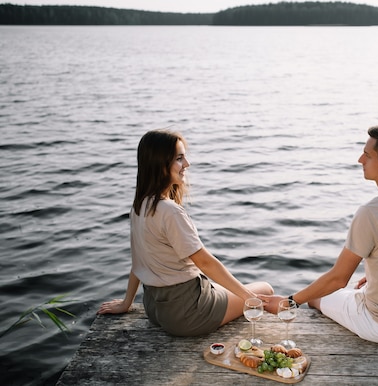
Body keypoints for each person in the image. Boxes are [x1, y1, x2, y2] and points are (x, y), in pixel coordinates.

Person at [262, 124, 378, 345]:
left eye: (367, 155)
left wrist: (288, 302)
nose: (360, 160)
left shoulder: (372, 211)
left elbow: (338, 279)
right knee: (356, 286)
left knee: (316, 296)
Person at [98, 129, 273, 336]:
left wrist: (127, 303)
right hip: (189, 313)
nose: (187, 164)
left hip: (156, 308)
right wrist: (248, 297)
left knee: (228, 290)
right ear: (160, 164)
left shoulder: (139, 206)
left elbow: (138, 263)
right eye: (179, 159)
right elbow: (205, 262)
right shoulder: (170, 212)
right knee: (265, 289)